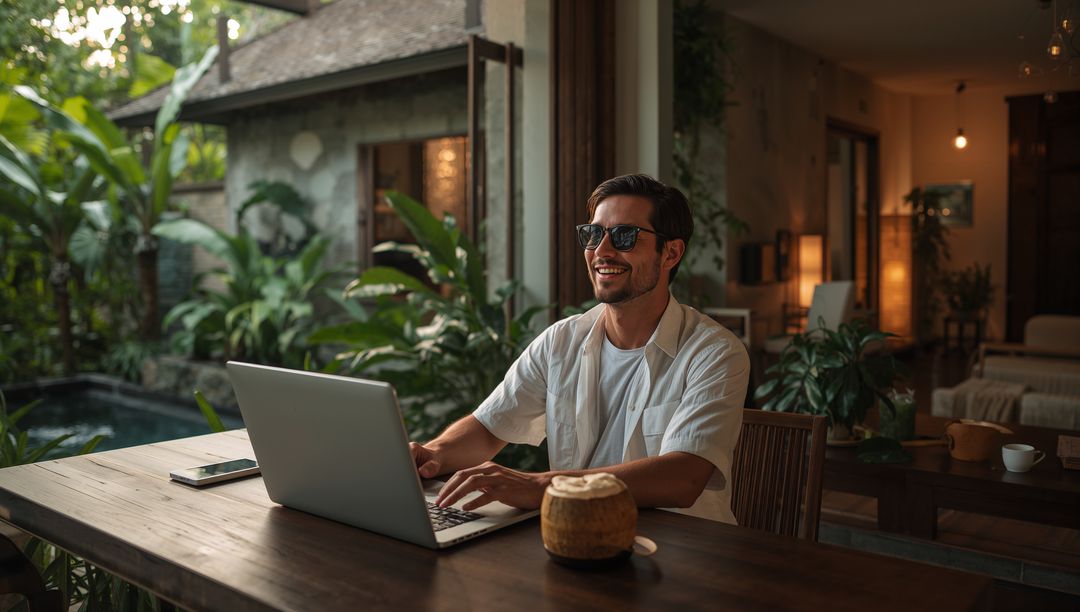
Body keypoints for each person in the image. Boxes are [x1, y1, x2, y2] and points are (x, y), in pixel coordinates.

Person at [411, 174, 750, 523]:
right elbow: (487, 428)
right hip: (573, 539)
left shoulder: (715, 353)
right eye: (593, 235)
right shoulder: (560, 342)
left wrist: (540, 485)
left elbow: (683, 478)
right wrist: (432, 453)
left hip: (681, 555)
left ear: (671, 253)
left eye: (624, 236)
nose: (601, 252)